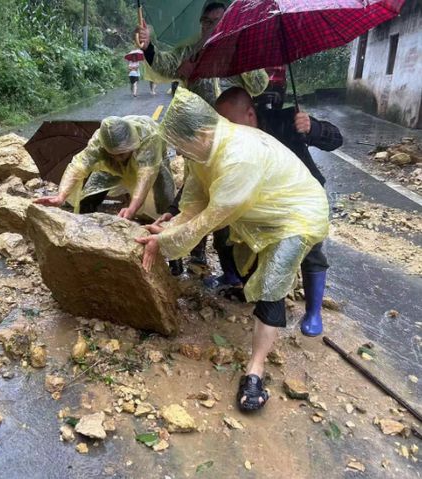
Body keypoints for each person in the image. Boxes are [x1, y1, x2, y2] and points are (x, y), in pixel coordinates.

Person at [136, 88, 329, 412]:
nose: (180, 154)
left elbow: (208, 220)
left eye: (181, 147)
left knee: (271, 284)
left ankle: (255, 371)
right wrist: (168, 227)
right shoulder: (202, 153)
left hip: (297, 215)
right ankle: (250, 300)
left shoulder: (238, 154)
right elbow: (194, 205)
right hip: (262, 211)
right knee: (246, 265)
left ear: (203, 132)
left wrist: (165, 241)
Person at [213, 87, 344, 337]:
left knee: (311, 249)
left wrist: (313, 128)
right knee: (229, 232)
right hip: (262, 202)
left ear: (251, 114)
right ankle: (236, 280)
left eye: (229, 122)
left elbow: (336, 139)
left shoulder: (286, 122)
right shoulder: (232, 141)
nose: (225, 129)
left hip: (303, 201)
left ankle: (313, 312)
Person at [34, 115, 175, 222]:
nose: (118, 158)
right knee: (89, 196)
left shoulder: (150, 138)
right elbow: (79, 165)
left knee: (164, 205)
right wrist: (61, 197)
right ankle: (84, 232)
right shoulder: (99, 142)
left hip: (154, 164)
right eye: (114, 154)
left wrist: (132, 208)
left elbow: (146, 176)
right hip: (112, 167)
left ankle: (174, 256)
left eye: (122, 154)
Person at [136, 2, 269, 104]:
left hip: (235, 128)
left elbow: (258, 86)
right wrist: (148, 47)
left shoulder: (241, 50)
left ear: (227, 23)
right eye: (207, 21)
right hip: (202, 129)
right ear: (202, 24)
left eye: (218, 21)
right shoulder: (190, 52)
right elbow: (166, 66)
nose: (212, 26)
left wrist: (240, 53)